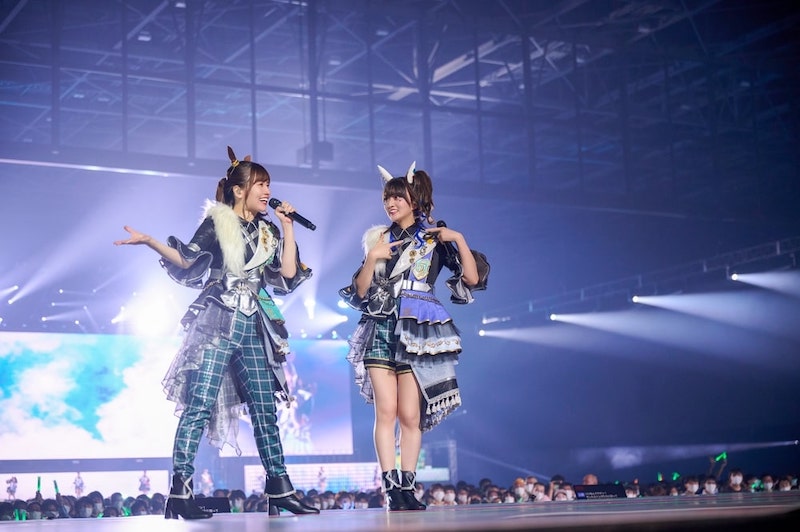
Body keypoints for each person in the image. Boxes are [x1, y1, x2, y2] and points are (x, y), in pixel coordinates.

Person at [114, 146, 319, 519]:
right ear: (239, 190)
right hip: (217, 321)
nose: (267, 191)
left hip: (256, 324)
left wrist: (288, 226)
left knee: (265, 409)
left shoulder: (270, 231)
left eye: (269, 185)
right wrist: (150, 242)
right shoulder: (217, 221)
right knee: (198, 406)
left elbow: (288, 274)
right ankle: (180, 493)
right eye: (261, 184)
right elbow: (187, 259)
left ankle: (280, 489)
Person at [339, 162, 489, 511]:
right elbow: (359, 292)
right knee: (386, 412)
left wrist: (459, 239)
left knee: (410, 415)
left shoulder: (434, 237)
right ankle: (391, 488)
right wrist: (371, 258)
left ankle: (408, 486)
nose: (390, 203)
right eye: (386, 198)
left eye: (397, 197)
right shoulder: (379, 238)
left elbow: (470, 279)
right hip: (380, 326)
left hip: (417, 329)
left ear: (413, 199)